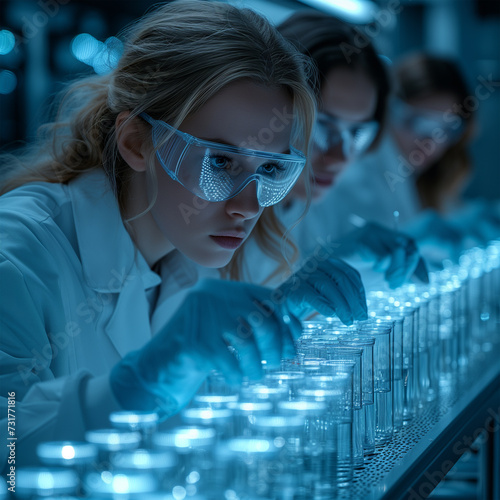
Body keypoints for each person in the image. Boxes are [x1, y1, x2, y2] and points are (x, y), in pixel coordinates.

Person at [0, 1, 370, 467]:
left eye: (272, 168)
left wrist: (274, 311)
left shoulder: (188, 248)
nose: (248, 206)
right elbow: (5, 453)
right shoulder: (19, 251)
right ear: (136, 141)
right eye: (220, 161)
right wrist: (136, 382)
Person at [243, 11, 428, 290]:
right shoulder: (227, 212)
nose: (340, 157)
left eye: (357, 133)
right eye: (323, 126)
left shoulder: (297, 209)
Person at [321, 52, 498, 265]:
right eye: (417, 122)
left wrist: (471, 221)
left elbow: (446, 217)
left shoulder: (422, 178)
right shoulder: (358, 179)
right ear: (387, 110)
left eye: (446, 128)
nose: (430, 142)